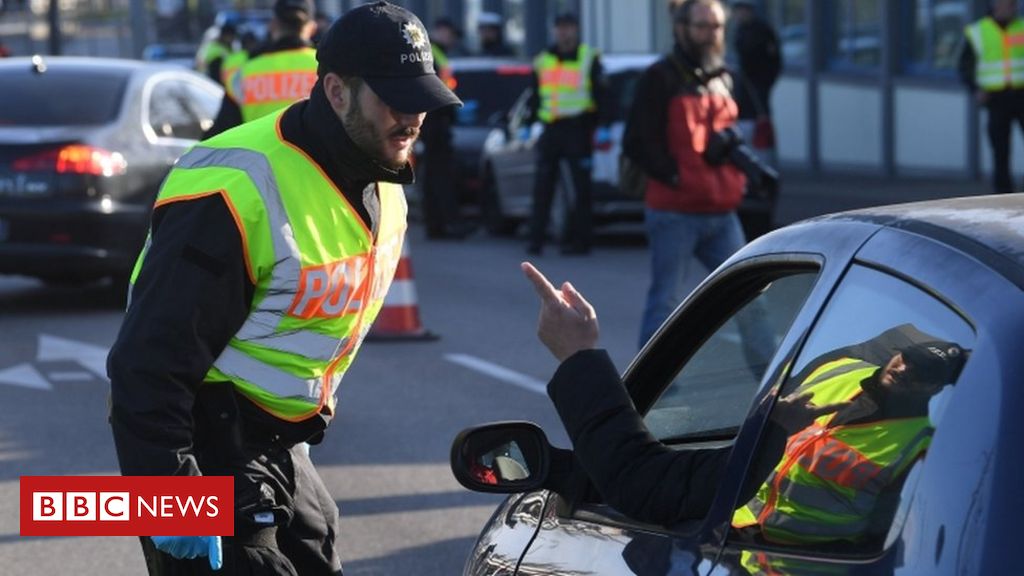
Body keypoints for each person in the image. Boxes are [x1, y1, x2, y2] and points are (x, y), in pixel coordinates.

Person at [107, 2, 461, 573]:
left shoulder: (381, 174)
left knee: (318, 550)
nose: (413, 117)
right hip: (203, 438)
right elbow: (146, 366)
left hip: (277, 440)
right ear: (337, 92)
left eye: (422, 100)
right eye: (394, 99)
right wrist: (170, 499)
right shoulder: (233, 193)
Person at [520, 262, 967, 539]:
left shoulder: (923, 447)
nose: (904, 368)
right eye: (906, 357)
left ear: (937, 390)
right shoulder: (839, 370)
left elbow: (647, 485)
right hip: (745, 546)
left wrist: (578, 355)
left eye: (923, 372)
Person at [624, 0, 747, 347]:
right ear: (682, 28)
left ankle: (778, 388)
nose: (711, 34)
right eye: (703, 26)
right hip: (674, 212)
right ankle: (644, 392)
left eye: (717, 26)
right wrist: (676, 177)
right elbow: (635, 142)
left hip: (722, 210)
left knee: (754, 300)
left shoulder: (724, 76)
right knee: (666, 302)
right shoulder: (659, 77)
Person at [523, 11, 610, 256]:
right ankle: (536, 241)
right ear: (554, 30)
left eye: (568, 27)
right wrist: (528, 123)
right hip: (551, 130)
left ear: (576, 30)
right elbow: (535, 96)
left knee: (580, 189)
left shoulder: (589, 58)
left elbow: (603, 96)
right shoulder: (543, 60)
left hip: (578, 129)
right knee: (543, 187)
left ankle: (581, 242)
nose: (564, 32)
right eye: (560, 27)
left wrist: (603, 125)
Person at [204, 0, 319, 138]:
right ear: (312, 28)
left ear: (273, 25)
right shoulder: (325, 69)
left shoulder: (245, 73)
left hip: (259, 157)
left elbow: (222, 134)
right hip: (311, 159)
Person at [959, 0, 1024, 194]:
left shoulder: (1021, 28)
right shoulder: (978, 31)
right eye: (1009, 4)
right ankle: (1003, 194)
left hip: (1022, 95)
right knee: (1000, 149)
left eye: (1014, 4)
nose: (1013, 8)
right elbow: (965, 67)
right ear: (996, 5)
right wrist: (975, 89)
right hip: (996, 99)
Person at [420, 16, 473, 239]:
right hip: (436, 121)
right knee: (441, 176)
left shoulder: (434, 52)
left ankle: (437, 225)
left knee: (434, 176)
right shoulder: (432, 53)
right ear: (441, 31)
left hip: (435, 120)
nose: (452, 40)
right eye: (450, 34)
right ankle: (447, 223)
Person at [728, 0, 781, 165]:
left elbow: (774, 61)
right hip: (743, 90)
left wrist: (764, 83)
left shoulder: (762, 31)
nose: (739, 15)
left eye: (742, 11)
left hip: (758, 88)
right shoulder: (740, 30)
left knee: (760, 128)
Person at [199, 20, 237, 86]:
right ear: (224, 35)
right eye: (231, 36)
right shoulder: (216, 49)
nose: (233, 39)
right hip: (212, 84)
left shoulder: (227, 48)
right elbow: (214, 71)